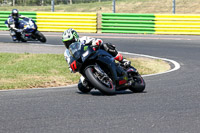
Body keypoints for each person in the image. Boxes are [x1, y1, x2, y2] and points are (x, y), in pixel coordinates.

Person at [63, 28, 131, 73]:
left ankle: (123, 60)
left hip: (94, 56)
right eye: (66, 43)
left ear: (75, 38)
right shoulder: (67, 53)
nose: (69, 44)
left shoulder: (83, 40)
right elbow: (70, 65)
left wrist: (96, 43)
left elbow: (98, 40)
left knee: (106, 46)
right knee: (82, 86)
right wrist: (72, 68)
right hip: (83, 66)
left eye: (70, 42)